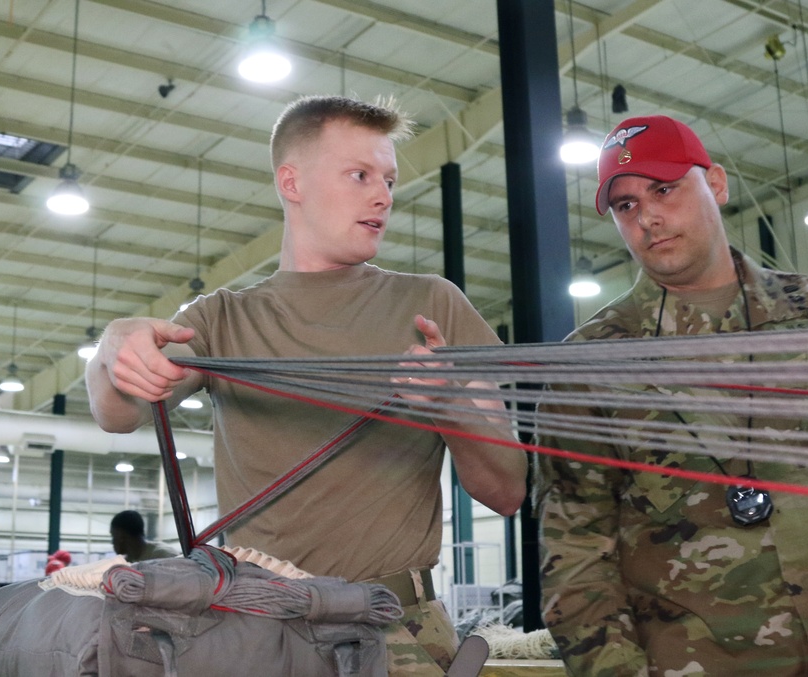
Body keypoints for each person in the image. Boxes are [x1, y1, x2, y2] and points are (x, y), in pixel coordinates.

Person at [87, 94, 528, 673]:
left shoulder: (432, 305)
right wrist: (113, 349)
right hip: (256, 632)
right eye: (360, 175)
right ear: (291, 182)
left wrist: (451, 408)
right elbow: (117, 413)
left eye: (390, 181)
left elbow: (507, 492)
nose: (383, 197)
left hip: (396, 631)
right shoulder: (222, 319)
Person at [534, 114, 808, 676]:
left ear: (716, 184)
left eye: (664, 189)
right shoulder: (592, 365)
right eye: (626, 206)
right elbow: (574, 557)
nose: (648, 216)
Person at [109, 509, 178, 563]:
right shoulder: (130, 560)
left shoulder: (164, 557)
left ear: (122, 536)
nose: (112, 542)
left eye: (114, 536)